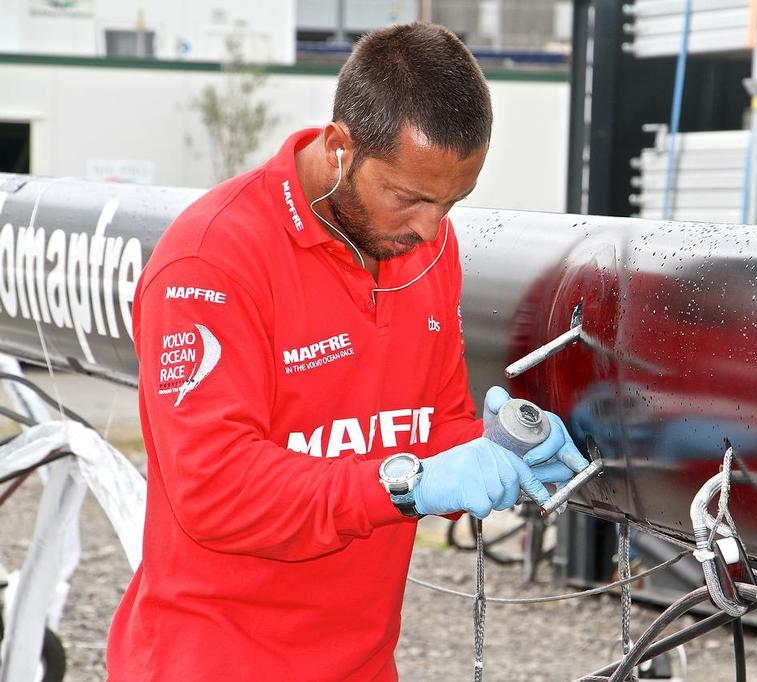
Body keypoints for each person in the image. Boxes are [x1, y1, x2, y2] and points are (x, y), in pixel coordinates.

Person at [106, 22, 586, 682]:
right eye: (409, 197)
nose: (431, 228)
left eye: (452, 203)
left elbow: (430, 426)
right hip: (211, 662)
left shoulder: (425, 250)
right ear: (340, 147)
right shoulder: (212, 260)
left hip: (359, 664)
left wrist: (494, 446)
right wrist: (407, 484)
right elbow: (215, 490)